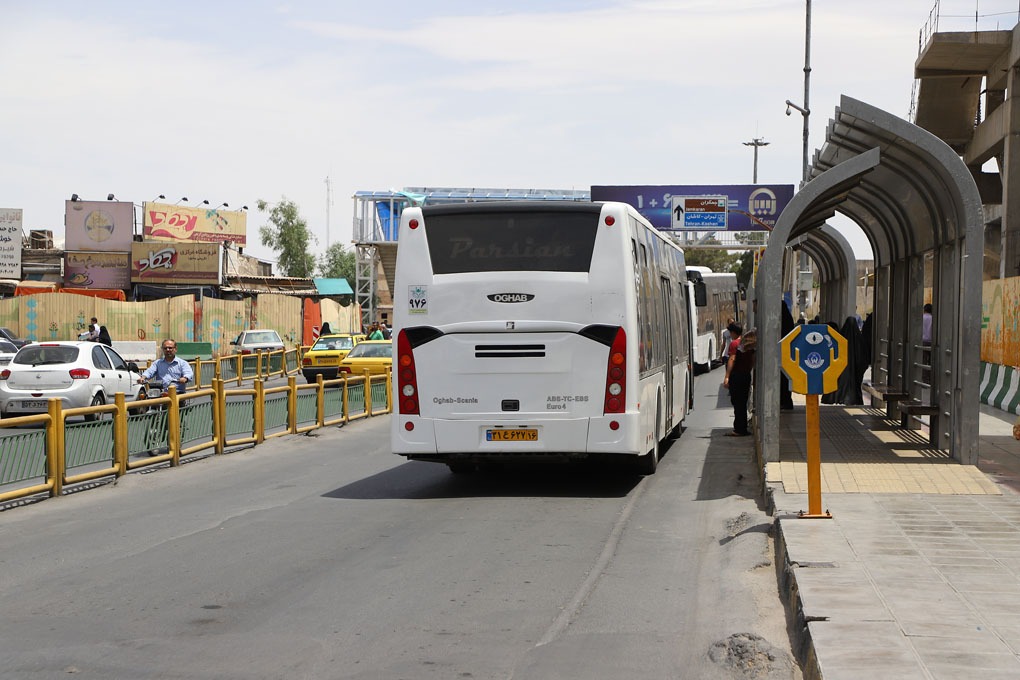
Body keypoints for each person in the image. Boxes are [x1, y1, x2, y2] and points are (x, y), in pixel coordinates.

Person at [724, 328, 756, 437]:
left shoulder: (734, 344)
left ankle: (739, 429)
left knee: (737, 403)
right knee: (742, 402)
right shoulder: (747, 344)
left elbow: (732, 359)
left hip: (737, 376)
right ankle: (742, 428)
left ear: (733, 332)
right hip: (746, 376)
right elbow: (752, 360)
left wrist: (727, 377)